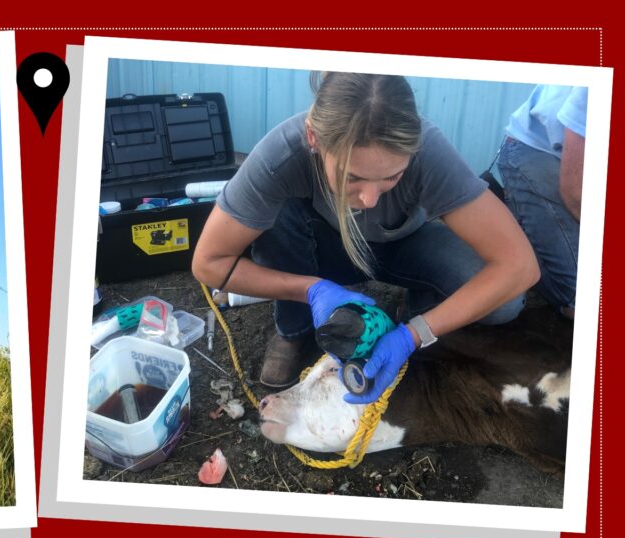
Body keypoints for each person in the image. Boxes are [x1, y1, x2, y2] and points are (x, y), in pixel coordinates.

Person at [192, 72, 539, 403]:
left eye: (393, 177)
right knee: (275, 216)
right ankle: (294, 331)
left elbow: (520, 267)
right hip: (323, 251)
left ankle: (414, 310)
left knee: (505, 304)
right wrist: (309, 289)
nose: (370, 199)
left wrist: (417, 332)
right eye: (351, 177)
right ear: (314, 138)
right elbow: (208, 263)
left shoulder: (429, 151)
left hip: (401, 244)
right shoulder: (280, 155)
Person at [497, 85, 587, 320]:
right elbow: (575, 191)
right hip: (533, 150)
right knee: (580, 297)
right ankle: (497, 238)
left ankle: (517, 223)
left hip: (566, 160)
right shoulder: (594, 91)